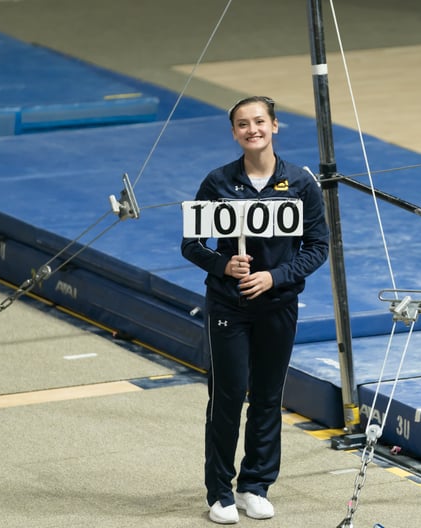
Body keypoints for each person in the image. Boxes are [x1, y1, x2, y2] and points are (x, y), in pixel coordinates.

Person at [181, 96, 329, 524]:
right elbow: (192, 245)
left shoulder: (300, 183)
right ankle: (219, 491)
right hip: (230, 305)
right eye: (243, 124)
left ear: (275, 126)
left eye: (259, 121)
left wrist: (275, 277)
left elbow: (317, 247)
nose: (252, 130)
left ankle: (255, 485)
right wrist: (224, 264)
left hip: (278, 306)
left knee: (267, 397)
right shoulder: (218, 182)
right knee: (227, 397)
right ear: (234, 133)